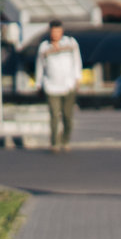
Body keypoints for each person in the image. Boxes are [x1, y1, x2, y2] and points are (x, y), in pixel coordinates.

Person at [34, 20, 82, 152]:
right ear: (50, 32)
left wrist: (77, 78)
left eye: (58, 31)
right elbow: (40, 66)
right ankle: (54, 142)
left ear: (61, 31)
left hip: (68, 85)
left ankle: (65, 140)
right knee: (54, 115)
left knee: (67, 116)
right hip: (51, 86)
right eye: (53, 31)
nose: (56, 34)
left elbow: (77, 61)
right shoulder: (44, 47)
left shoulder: (70, 43)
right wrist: (39, 84)